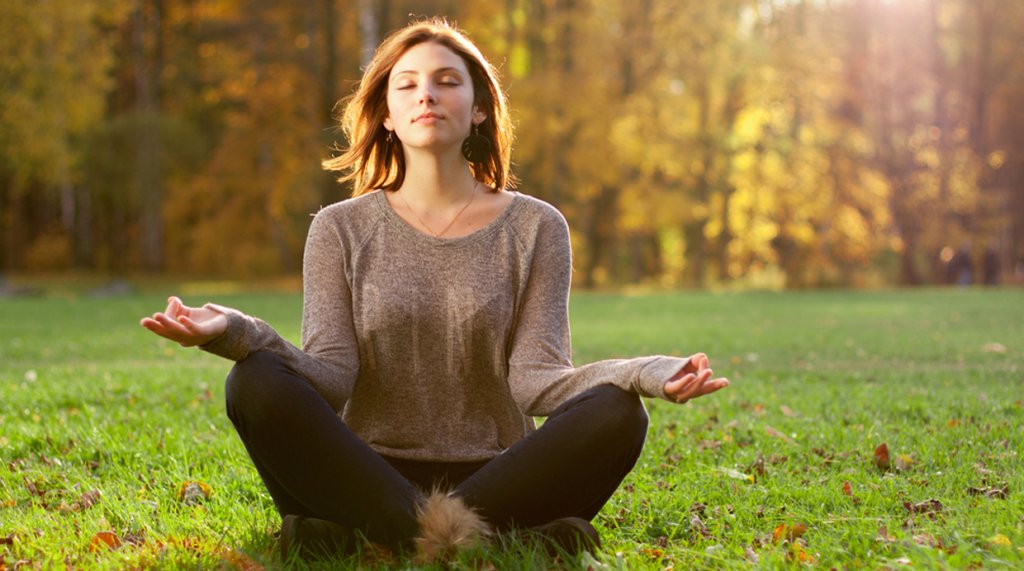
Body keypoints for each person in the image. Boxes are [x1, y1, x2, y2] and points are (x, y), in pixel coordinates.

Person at [140, 18, 728, 564]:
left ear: (477, 109)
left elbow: (539, 381)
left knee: (618, 414)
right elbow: (330, 376)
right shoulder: (338, 230)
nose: (427, 94)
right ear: (388, 114)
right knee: (254, 380)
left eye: (448, 82)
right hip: (363, 473)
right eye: (408, 85)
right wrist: (236, 332)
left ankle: (368, 538)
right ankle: (483, 537)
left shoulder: (536, 227)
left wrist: (648, 372)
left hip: (500, 474)